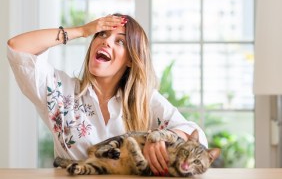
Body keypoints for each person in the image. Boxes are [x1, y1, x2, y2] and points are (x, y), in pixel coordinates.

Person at [7, 13, 208, 176]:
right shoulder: (60, 90)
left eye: (120, 42)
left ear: (131, 59)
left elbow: (195, 135)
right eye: (102, 34)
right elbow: (18, 47)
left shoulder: (143, 100)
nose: (106, 42)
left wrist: (167, 138)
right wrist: (82, 30)